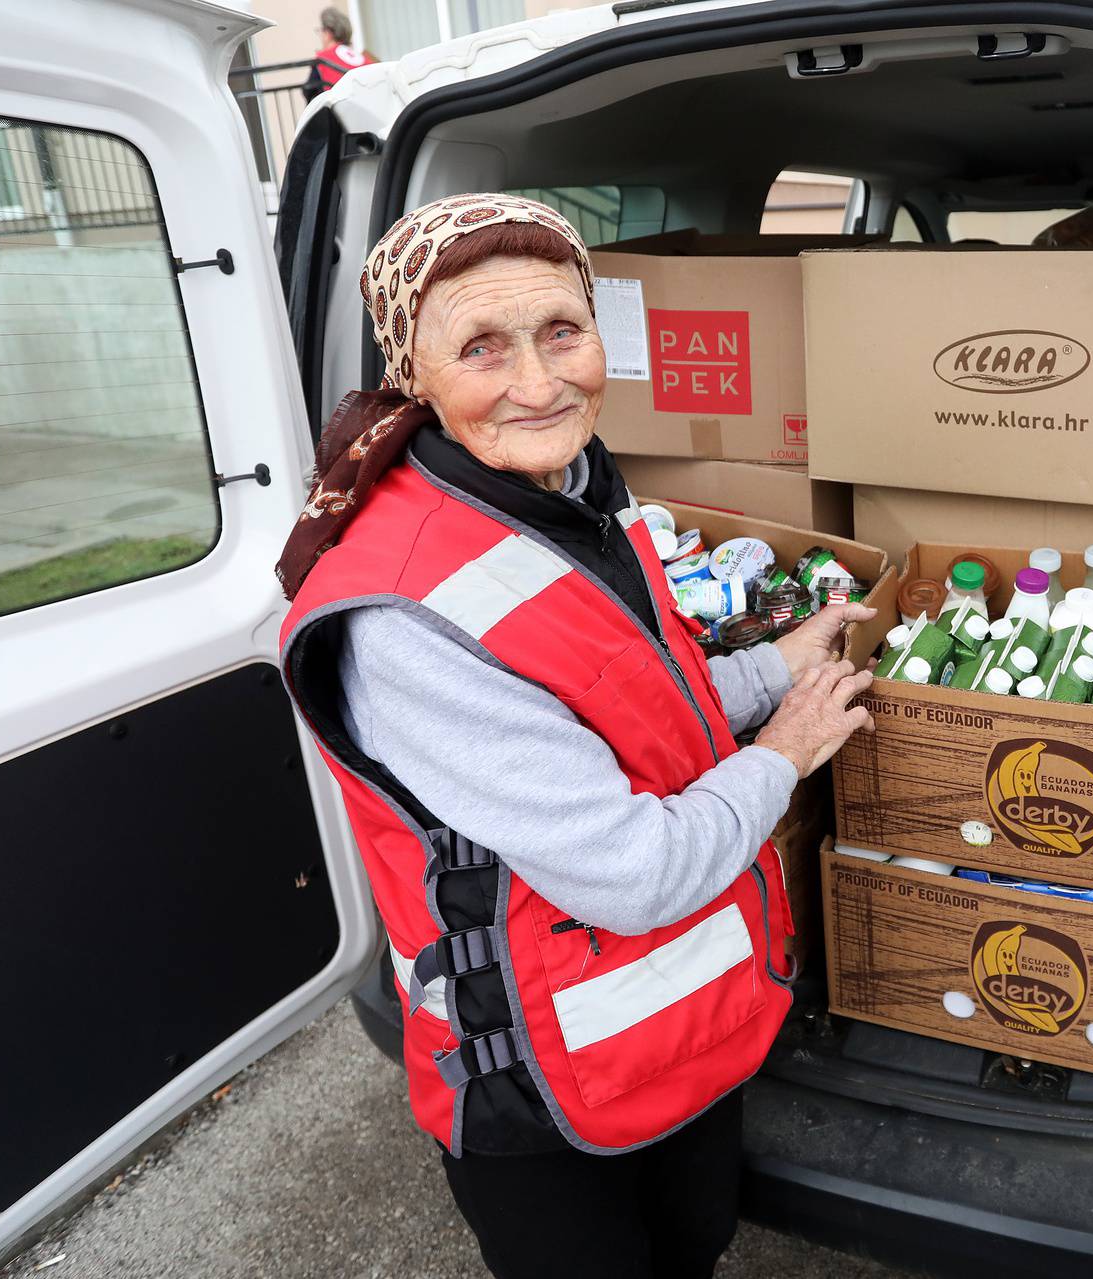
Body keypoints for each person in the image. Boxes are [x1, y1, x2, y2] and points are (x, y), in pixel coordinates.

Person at [274, 195, 876, 1278]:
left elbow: (641, 697)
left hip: (672, 1022)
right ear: (414, 376)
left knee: (695, 1239)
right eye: (481, 347)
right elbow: (635, 872)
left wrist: (775, 666)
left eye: (562, 330)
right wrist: (784, 750)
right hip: (540, 1073)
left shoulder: (573, 490)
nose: (540, 382)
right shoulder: (404, 609)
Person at [302, 7, 374, 101]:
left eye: (321, 31)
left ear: (328, 33)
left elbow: (309, 90)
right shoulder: (365, 59)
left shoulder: (323, 59)